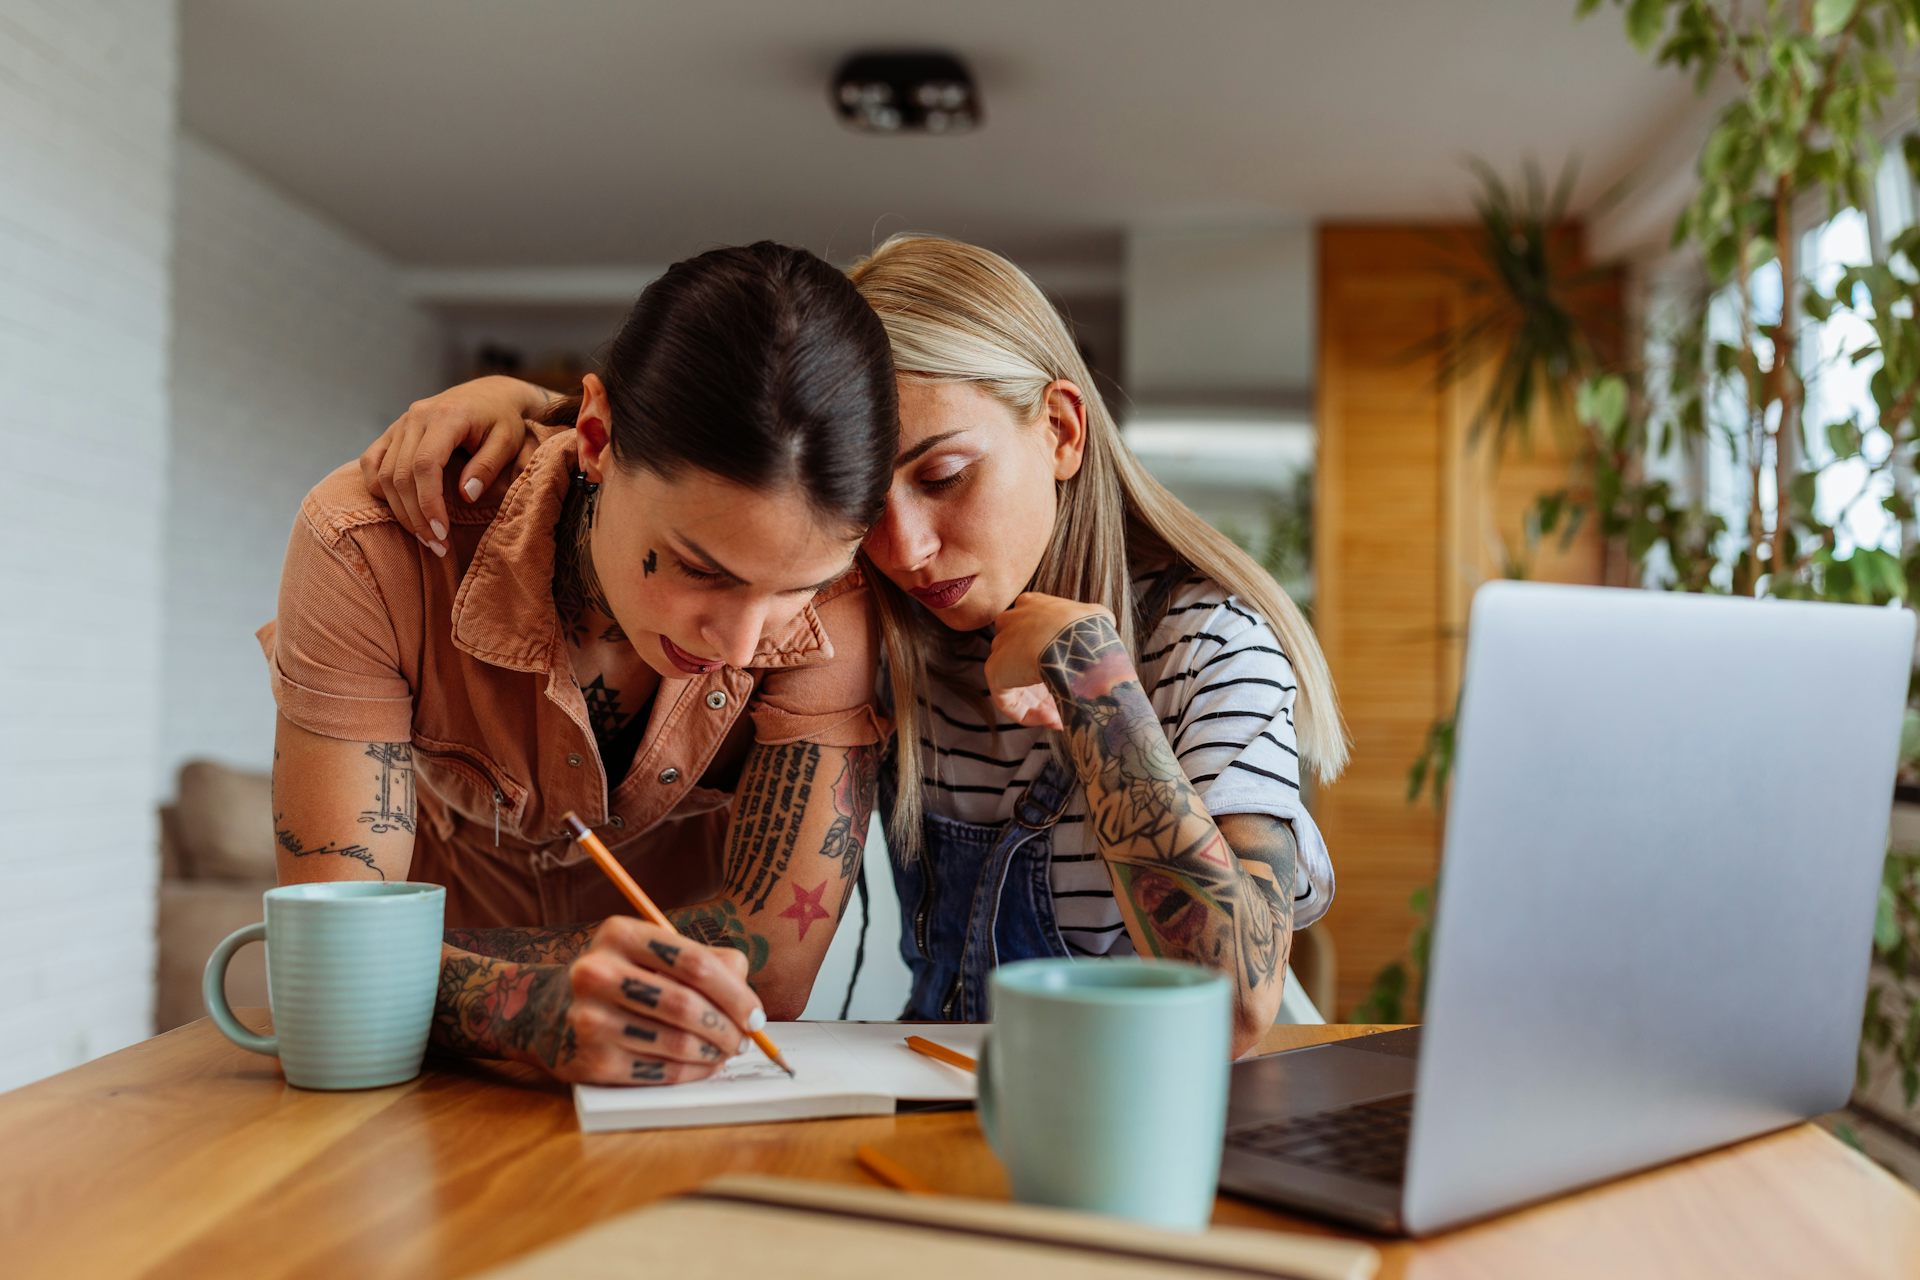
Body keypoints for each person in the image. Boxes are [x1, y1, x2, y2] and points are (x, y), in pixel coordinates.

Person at [361, 235, 1346, 1057]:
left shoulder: (1208, 643)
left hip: (1196, 1113)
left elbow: (1236, 997)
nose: (908, 548)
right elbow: (724, 397)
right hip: (960, 1094)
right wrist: (526, 413)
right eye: (867, 508)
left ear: (1058, 428)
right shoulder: (887, 624)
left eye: (947, 474)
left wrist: (1097, 682)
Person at [270, 242, 897, 1087]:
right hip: (421, 1084)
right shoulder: (371, 546)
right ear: (596, 438)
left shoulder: (847, 599)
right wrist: (525, 1003)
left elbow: (775, 970)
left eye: (799, 588)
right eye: (701, 568)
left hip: (688, 1090)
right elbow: (331, 948)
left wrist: (436, 972)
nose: (742, 648)